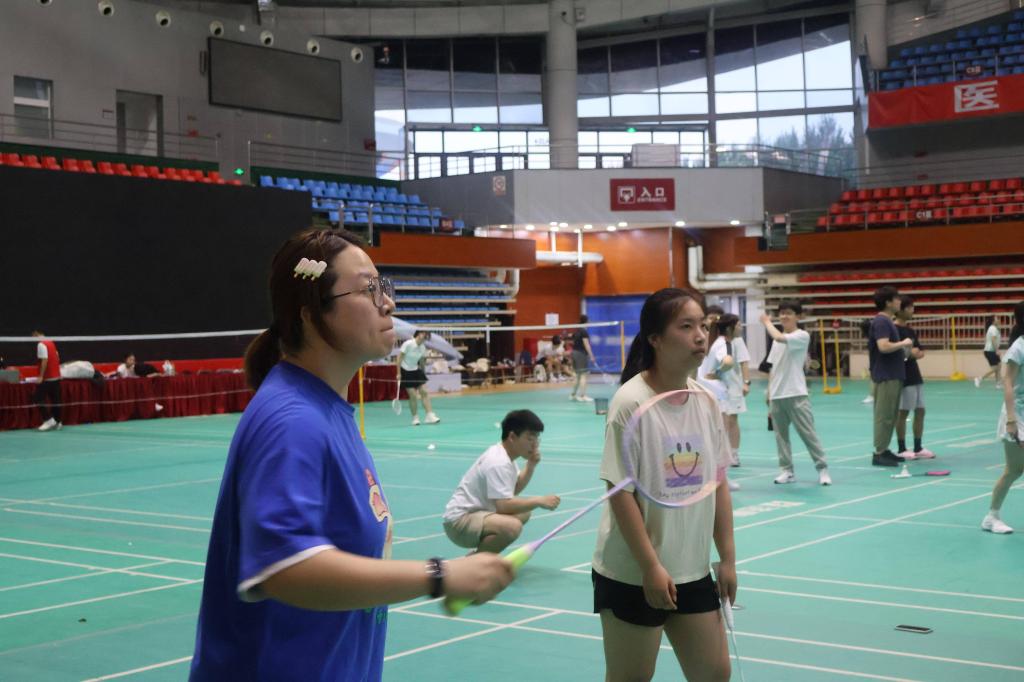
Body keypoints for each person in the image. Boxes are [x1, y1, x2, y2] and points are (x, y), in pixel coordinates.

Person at [190, 229, 513, 682]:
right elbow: (284, 567)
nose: (388, 304)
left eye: (384, 287)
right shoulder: (292, 421)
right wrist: (439, 575)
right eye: (367, 290)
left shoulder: (330, 412)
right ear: (310, 315)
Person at [592, 288, 735, 682]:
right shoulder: (629, 403)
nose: (700, 336)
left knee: (714, 674)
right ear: (655, 338)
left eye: (702, 326)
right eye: (686, 327)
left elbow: (718, 483)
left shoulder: (707, 401)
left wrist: (727, 558)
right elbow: (620, 495)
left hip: (692, 569)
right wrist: (651, 567)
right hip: (634, 573)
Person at [442, 410, 561, 553]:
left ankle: (478, 557)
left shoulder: (505, 456)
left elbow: (512, 490)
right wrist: (538, 501)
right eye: (530, 438)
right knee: (511, 527)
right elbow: (504, 506)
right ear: (512, 437)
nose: (535, 445)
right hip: (459, 523)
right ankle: (479, 561)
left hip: (476, 516)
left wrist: (530, 466)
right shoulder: (498, 462)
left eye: (537, 438)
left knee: (524, 513)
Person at [760, 302, 831, 485]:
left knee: (808, 434)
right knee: (781, 437)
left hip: (796, 394)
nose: (784, 316)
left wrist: (766, 322)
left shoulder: (802, 336)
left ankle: (822, 469)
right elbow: (773, 368)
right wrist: (769, 392)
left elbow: (778, 337)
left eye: (789, 313)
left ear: (798, 316)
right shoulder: (777, 341)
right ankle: (787, 471)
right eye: (782, 313)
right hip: (777, 396)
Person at [981, 300, 1024, 534]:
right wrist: (1011, 420)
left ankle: (991, 516)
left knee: (1015, 471)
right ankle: (991, 517)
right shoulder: (1018, 347)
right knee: (1013, 470)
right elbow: (1008, 383)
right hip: (1017, 414)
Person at [868, 286, 913, 467]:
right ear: (888, 302)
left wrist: (904, 349)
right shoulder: (881, 322)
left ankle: (885, 449)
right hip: (885, 376)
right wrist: (903, 343)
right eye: (896, 298)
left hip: (894, 374)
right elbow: (883, 346)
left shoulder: (888, 322)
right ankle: (879, 453)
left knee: (891, 415)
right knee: (884, 416)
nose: (899, 302)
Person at [894, 296, 935, 460]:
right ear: (901, 309)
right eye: (910, 308)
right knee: (903, 412)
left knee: (920, 410)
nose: (913, 311)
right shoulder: (894, 330)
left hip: (915, 374)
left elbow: (920, 352)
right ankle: (901, 448)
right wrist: (910, 353)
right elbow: (900, 353)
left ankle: (918, 447)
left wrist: (911, 353)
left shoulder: (910, 331)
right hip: (903, 376)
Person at [396, 329, 440, 426]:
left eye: (426, 335)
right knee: (413, 395)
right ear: (418, 334)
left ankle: (429, 415)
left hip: (416, 370)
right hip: (405, 370)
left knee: (424, 392)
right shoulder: (408, 344)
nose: (425, 336)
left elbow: (422, 361)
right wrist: (398, 373)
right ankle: (415, 418)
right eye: (424, 334)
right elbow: (399, 358)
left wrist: (423, 373)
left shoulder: (423, 347)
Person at [32, 330, 62, 431]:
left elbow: (44, 360)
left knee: (37, 398)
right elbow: (57, 357)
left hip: (47, 377)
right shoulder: (51, 342)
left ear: (36, 334)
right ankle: (58, 421)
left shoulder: (41, 344)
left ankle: (48, 420)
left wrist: (41, 376)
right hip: (56, 376)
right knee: (55, 400)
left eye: (33, 336)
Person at [569, 315, 598, 402]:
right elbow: (586, 345)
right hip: (581, 354)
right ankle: (583, 396)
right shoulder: (584, 332)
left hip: (574, 353)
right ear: (587, 321)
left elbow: (573, 342)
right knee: (583, 375)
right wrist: (591, 356)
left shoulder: (577, 330)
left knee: (577, 375)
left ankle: (573, 395)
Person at [976, 316, 1002, 388]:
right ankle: (979, 379)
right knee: (995, 368)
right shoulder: (992, 328)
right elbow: (993, 340)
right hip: (990, 351)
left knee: (999, 366)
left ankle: (998, 384)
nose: (998, 319)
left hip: (992, 350)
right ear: (993, 321)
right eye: (996, 318)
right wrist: (997, 350)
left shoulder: (995, 328)